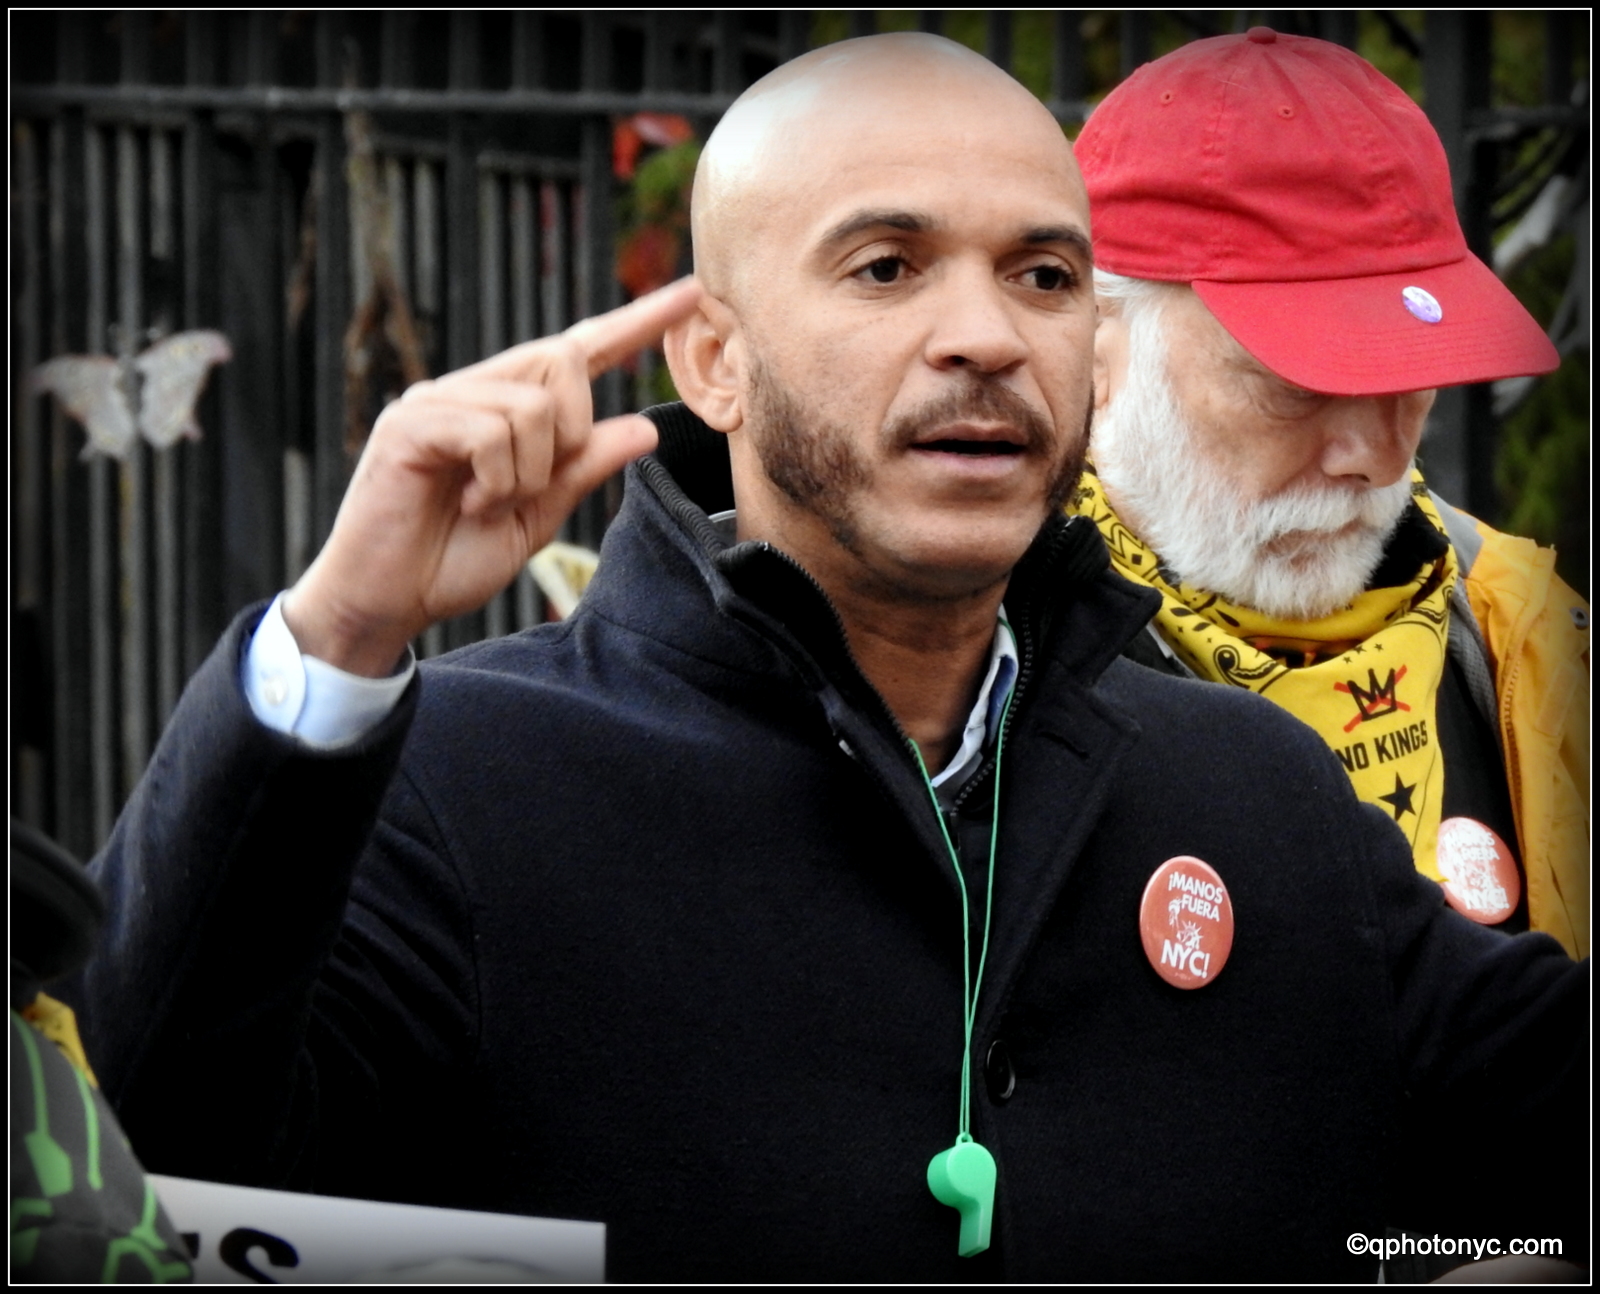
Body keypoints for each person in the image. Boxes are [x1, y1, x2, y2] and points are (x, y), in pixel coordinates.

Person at [69, 34, 1583, 1282]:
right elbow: (147, 1167)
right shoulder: (461, 781)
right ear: (714, 360)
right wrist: (338, 637)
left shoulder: (1259, 790)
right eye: (885, 267)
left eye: (1043, 276)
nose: (984, 334)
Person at [1070, 30, 1589, 960]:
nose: (1380, 460)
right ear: (1090, 344)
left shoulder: (1525, 635)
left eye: (1412, 373)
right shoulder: (965, 676)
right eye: (1296, 382)